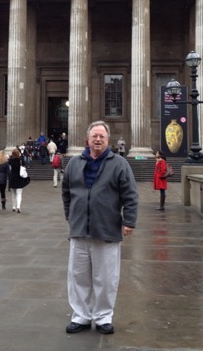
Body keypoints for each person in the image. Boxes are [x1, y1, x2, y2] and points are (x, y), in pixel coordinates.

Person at [62, 120, 138, 335]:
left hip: (107, 230)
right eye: (94, 136)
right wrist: (71, 216)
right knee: (78, 276)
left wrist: (129, 221)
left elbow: (130, 195)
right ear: (87, 139)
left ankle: (104, 316)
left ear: (108, 140)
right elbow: (66, 192)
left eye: (101, 137)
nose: (97, 139)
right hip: (79, 230)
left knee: (106, 278)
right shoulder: (74, 163)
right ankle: (81, 316)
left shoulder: (119, 164)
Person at [8, 147, 30, 213]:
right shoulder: (21, 160)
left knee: (13, 194)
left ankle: (13, 207)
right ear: (18, 154)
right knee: (19, 194)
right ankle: (18, 207)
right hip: (19, 178)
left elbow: (9, 169)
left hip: (12, 178)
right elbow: (24, 166)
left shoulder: (10, 161)